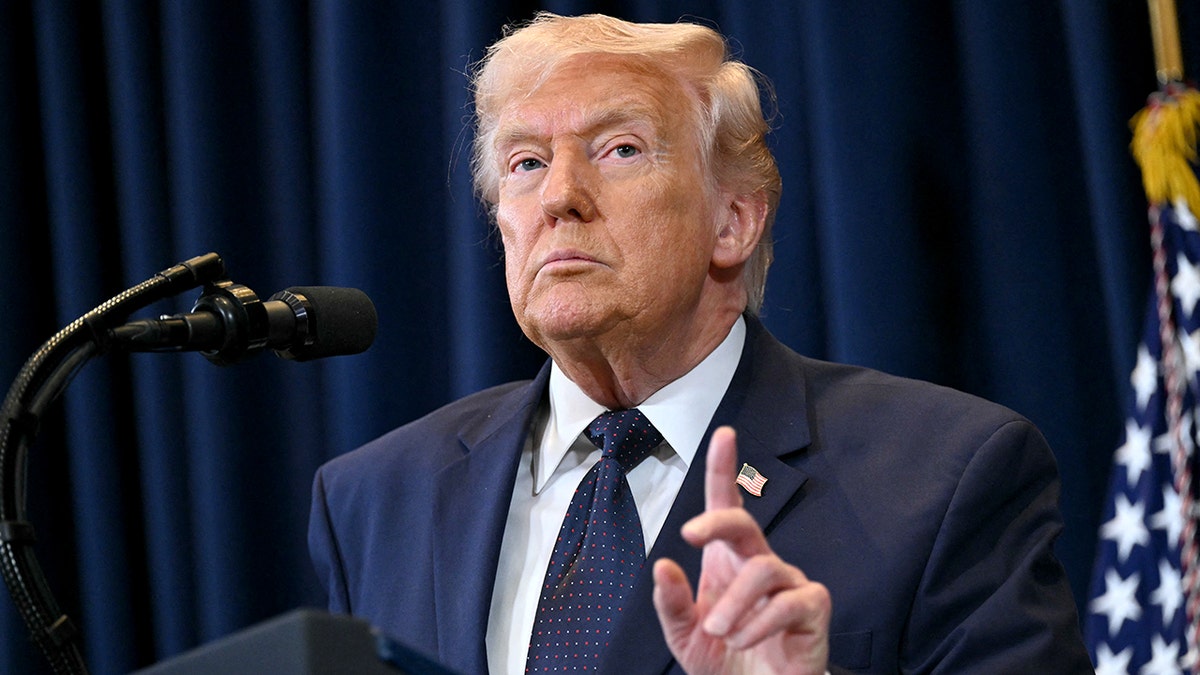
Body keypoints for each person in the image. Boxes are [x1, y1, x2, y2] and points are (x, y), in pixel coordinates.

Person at [308, 12, 1093, 674]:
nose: (559, 195)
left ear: (733, 221)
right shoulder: (376, 502)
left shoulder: (943, 476)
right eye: (527, 162)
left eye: (620, 149)